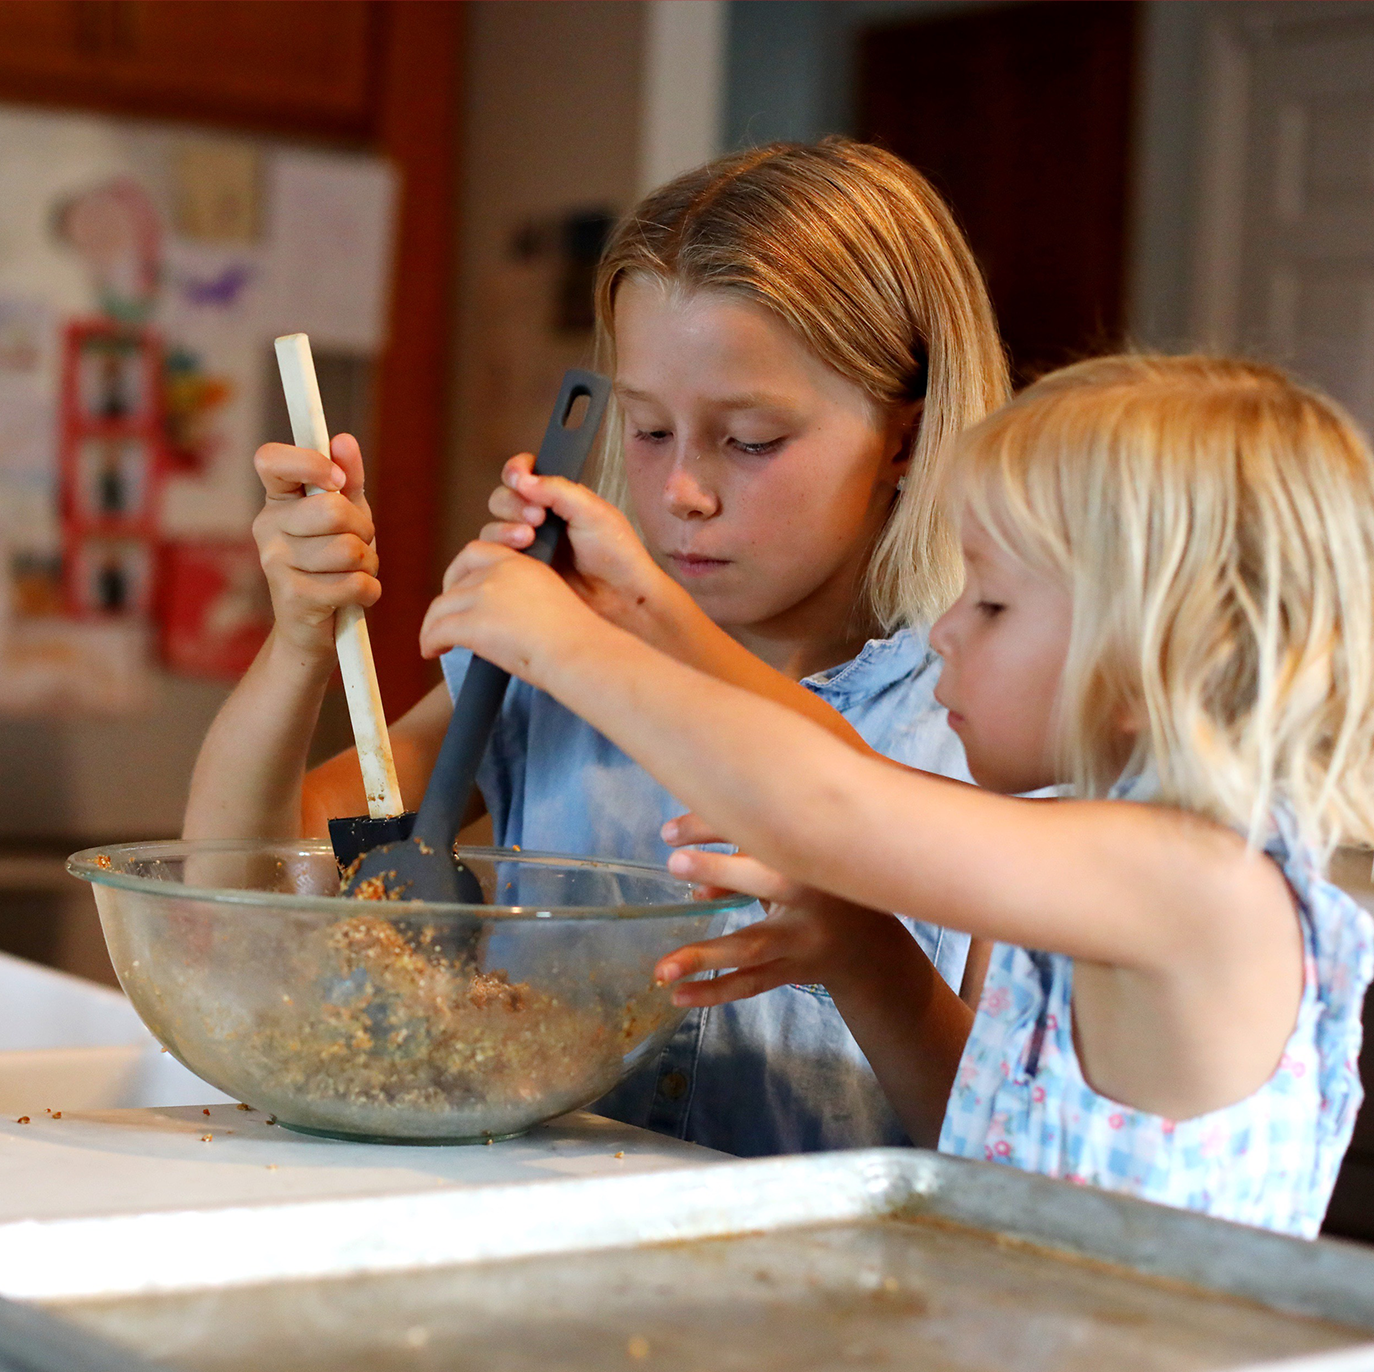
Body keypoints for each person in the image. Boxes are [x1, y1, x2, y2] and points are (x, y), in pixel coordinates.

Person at [418, 355, 1374, 1238]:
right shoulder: (1101, 856)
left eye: (990, 601)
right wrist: (647, 610)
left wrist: (566, 644)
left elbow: (831, 803)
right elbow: (983, 1151)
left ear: (1159, 657)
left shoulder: (1191, 881)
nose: (944, 630)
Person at [182, 139, 1010, 1156]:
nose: (682, 492)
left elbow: (1003, 1142)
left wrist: (639, 629)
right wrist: (301, 638)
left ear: (905, 438)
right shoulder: (543, 675)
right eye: (649, 430)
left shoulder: (990, 721)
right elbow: (243, 890)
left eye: (750, 439)